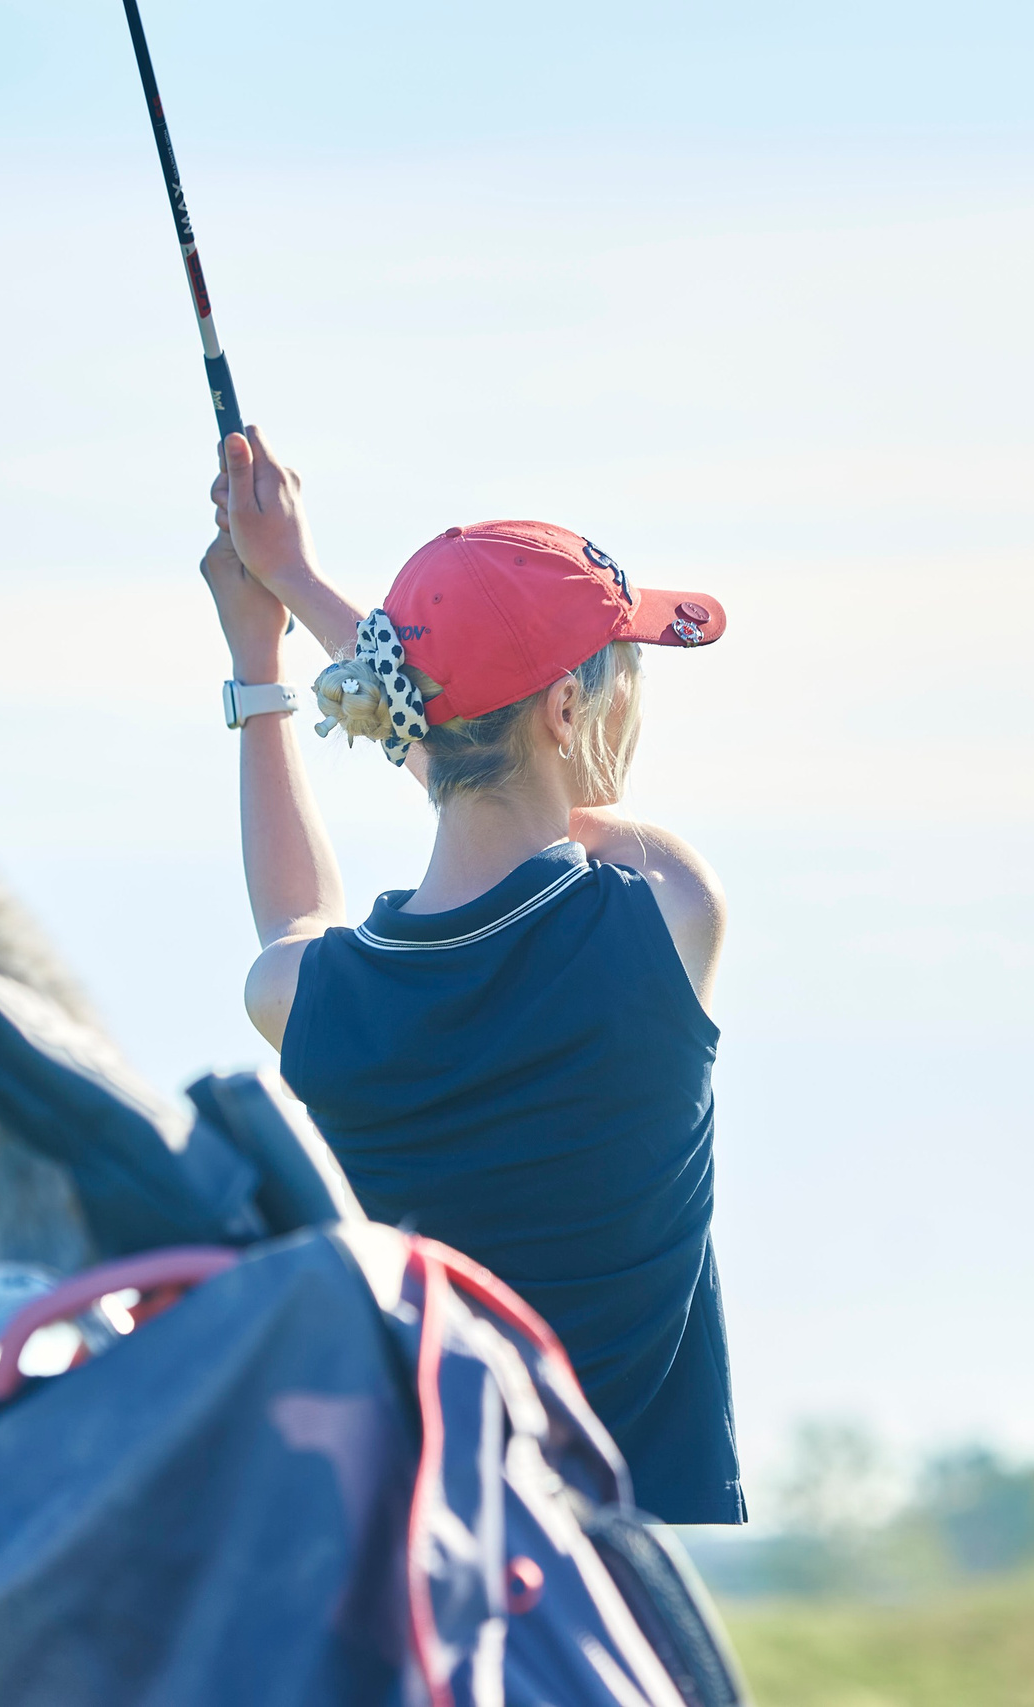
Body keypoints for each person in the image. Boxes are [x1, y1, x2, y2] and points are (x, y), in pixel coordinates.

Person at [193, 427, 744, 1524]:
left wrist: (262, 657)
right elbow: (462, 752)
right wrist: (300, 585)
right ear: (562, 710)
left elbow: (303, 907)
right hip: (623, 1561)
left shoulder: (306, 993)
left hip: (413, 1542)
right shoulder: (667, 908)